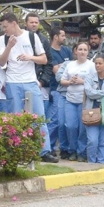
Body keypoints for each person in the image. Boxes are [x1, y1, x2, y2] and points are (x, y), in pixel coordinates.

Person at [0, 12, 49, 147]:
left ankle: (44, 150)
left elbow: (44, 59)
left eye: (5, 26)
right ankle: (17, 149)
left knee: (38, 117)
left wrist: (30, 57)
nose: (4, 30)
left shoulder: (32, 36)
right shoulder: (3, 39)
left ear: (14, 24)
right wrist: (9, 46)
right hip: (12, 82)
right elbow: (1, 63)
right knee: (14, 118)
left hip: (30, 81)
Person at [57, 42, 96, 161]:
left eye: (85, 49)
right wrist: (70, 82)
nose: (82, 52)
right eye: (80, 49)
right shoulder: (70, 65)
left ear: (88, 52)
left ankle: (81, 152)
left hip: (84, 101)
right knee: (70, 126)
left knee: (83, 128)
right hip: (70, 99)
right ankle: (72, 150)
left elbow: (96, 82)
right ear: (76, 51)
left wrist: (82, 81)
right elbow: (62, 80)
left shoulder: (92, 65)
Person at [46, 27, 73, 157]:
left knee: (66, 121)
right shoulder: (49, 52)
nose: (64, 38)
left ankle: (65, 148)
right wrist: (65, 67)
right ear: (55, 37)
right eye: (62, 35)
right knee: (55, 120)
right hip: (56, 90)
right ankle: (48, 147)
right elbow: (56, 71)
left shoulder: (67, 50)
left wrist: (63, 66)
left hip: (70, 90)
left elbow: (73, 68)